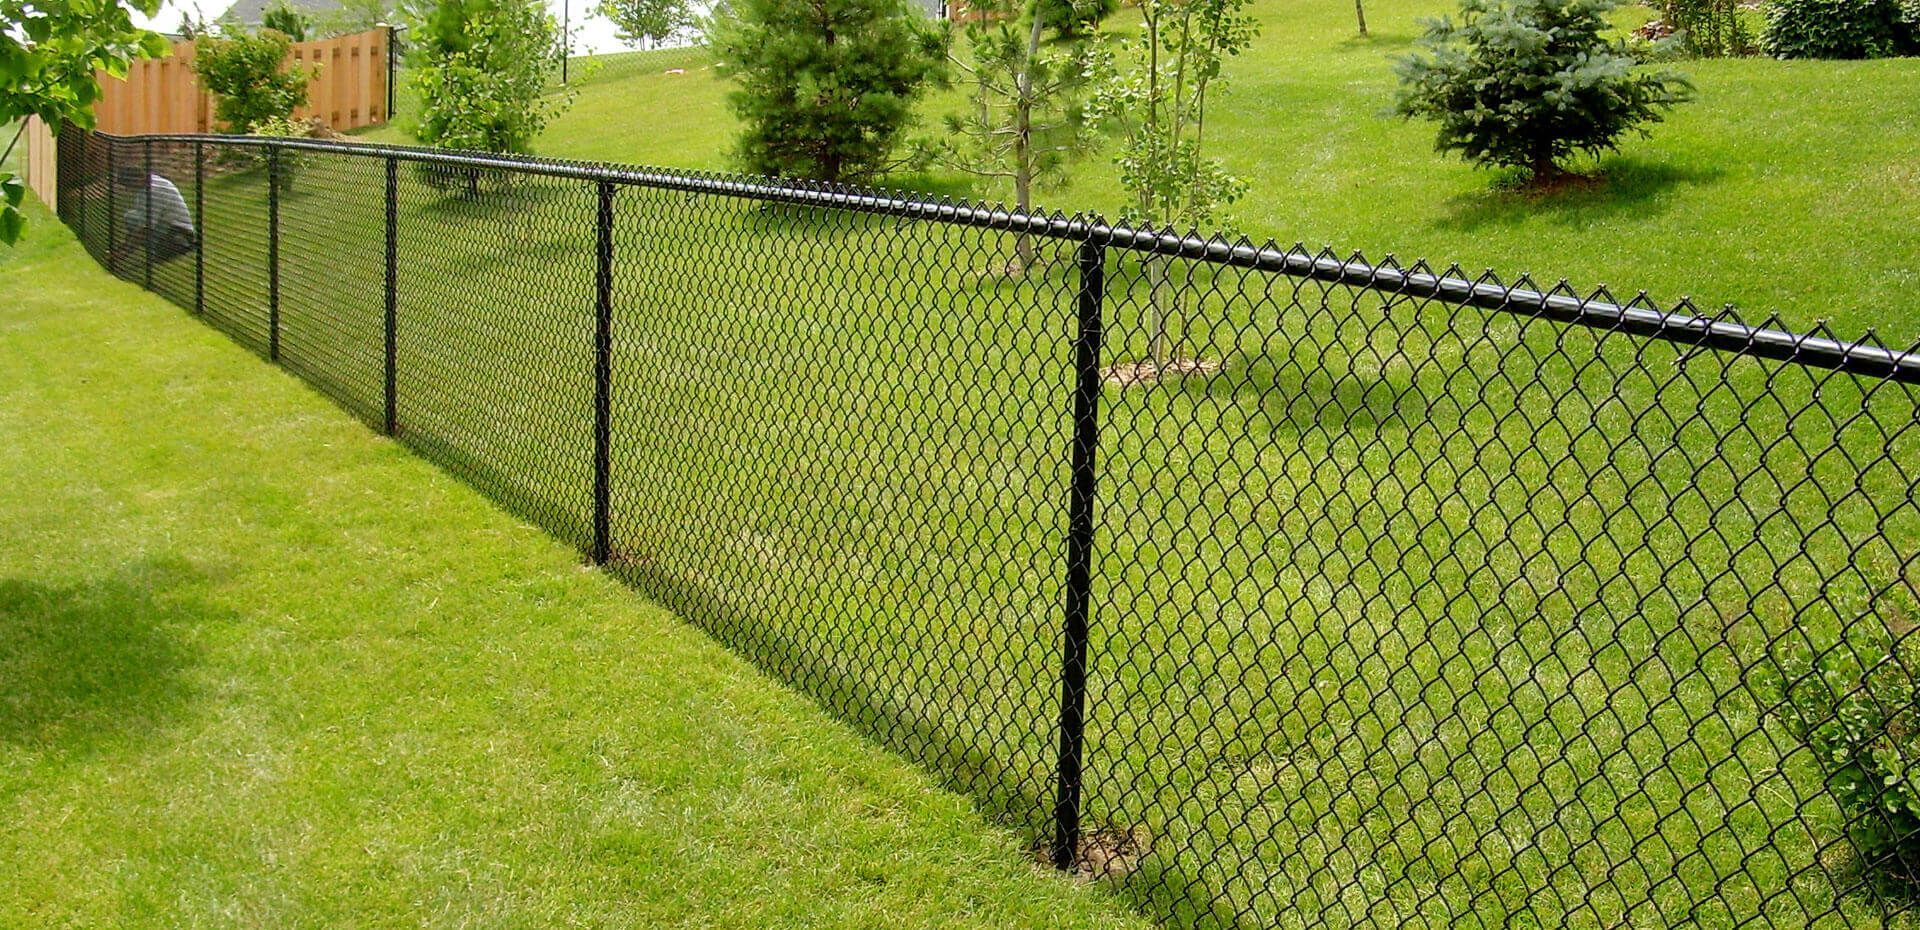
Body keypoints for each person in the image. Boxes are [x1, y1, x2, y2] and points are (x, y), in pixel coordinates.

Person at [116, 163, 199, 265]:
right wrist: (124, 245)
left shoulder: (153, 193)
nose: (127, 189)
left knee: (139, 224)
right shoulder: (149, 182)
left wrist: (125, 253)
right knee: (130, 216)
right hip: (166, 224)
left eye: (127, 185)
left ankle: (178, 245)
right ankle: (159, 248)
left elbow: (145, 228)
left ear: (136, 180)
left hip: (178, 230)